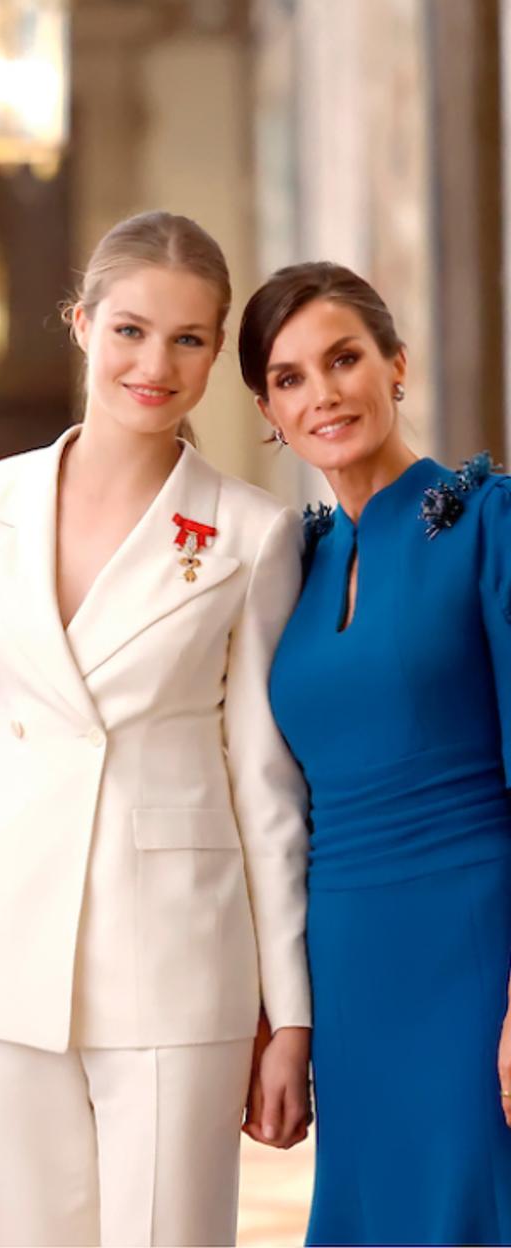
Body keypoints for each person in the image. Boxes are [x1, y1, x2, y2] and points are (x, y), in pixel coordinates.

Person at [0, 210, 313, 1247]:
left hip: (174, 951)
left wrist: (291, 1016)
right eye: (131, 331)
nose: (156, 364)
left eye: (190, 339)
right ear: (82, 323)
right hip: (0, 940)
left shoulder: (251, 531)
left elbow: (265, 783)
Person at [240, 261, 511, 1245]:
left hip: (474, 949)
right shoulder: (297, 565)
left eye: (345, 358)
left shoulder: (492, 523)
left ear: (396, 364)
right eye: (292, 376)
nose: (325, 393)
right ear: (268, 408)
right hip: (350, 965)